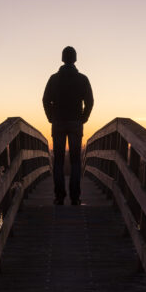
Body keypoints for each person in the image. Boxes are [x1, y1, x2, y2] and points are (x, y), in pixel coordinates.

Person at [42, 46, 93, 205]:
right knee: (75, 161)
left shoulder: (54, 78)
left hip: (58, 122)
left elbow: (45, 100)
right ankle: (75, 198)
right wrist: (83, 118)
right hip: (75, 123)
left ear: (62, 59)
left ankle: (59, 197)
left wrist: (51, 117)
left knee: (58, 160)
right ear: (75, 59)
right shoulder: (82, 79)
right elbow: (90, 102)